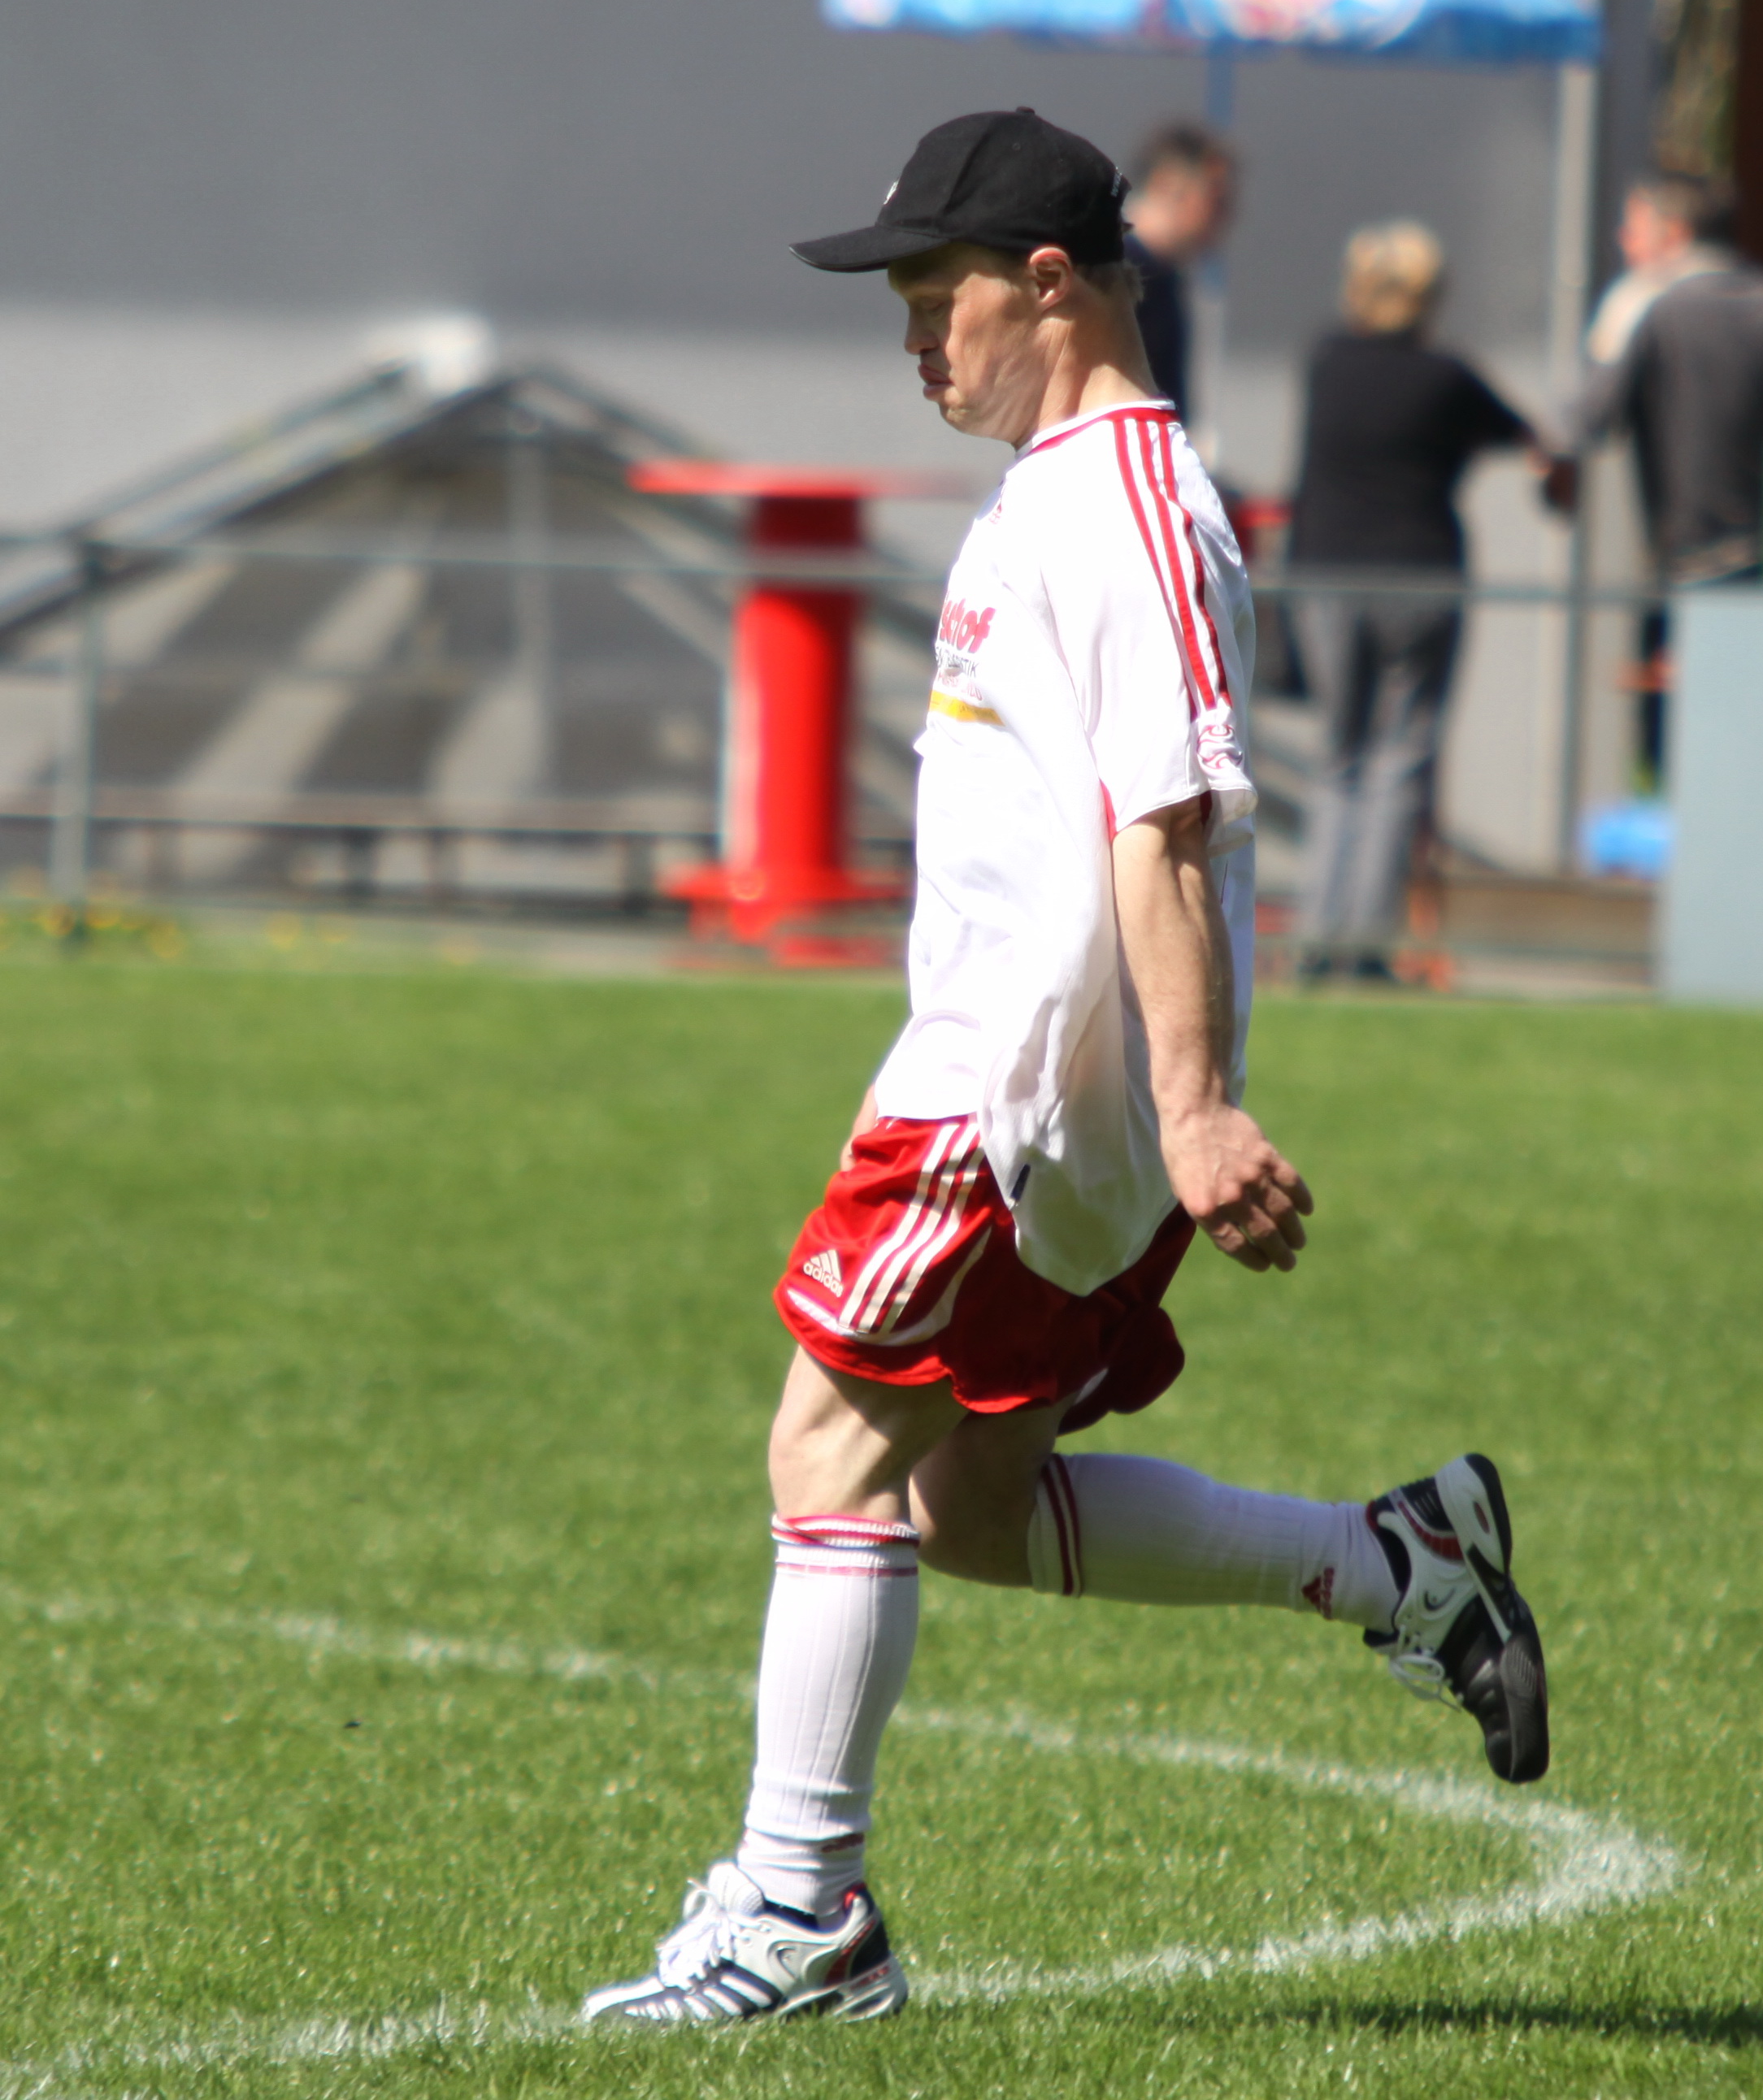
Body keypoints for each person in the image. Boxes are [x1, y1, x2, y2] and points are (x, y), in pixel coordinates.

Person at [580, 111, 1549, 2033]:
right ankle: (1396, 1564)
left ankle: (799, 1912)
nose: (905, 336)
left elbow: (1164, 824)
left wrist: (1191, 1106)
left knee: (823, 1450)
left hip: (1014, 1098)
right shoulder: (1063, 486)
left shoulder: (1122, 502)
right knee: (966, 1504)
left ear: (1045, 283)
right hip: (1041, 1099)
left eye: (928, 295)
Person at [1286, 222, 1537, 980]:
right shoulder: (1446, 378)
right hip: (1419, 578)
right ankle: (1364, 947)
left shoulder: (1325, 362)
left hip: (1325, 576)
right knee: (1398, 762)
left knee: (1338, 759)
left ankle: (1314, 941)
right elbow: (1526, 437)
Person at [1557, 173, 1763, 776]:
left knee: (1675, 747)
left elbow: (1587, 421)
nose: (1623, 242)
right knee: (1746, 742)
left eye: (1634, 229)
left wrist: (1609, 335)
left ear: (1673, 234)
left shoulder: (1648, 305)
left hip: (1682, 565)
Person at [1123, 122, 1235, 428]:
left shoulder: (1167, 279)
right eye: (1216, 200)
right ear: (1167, 185)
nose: (1227, 217)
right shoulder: (1114, 274)